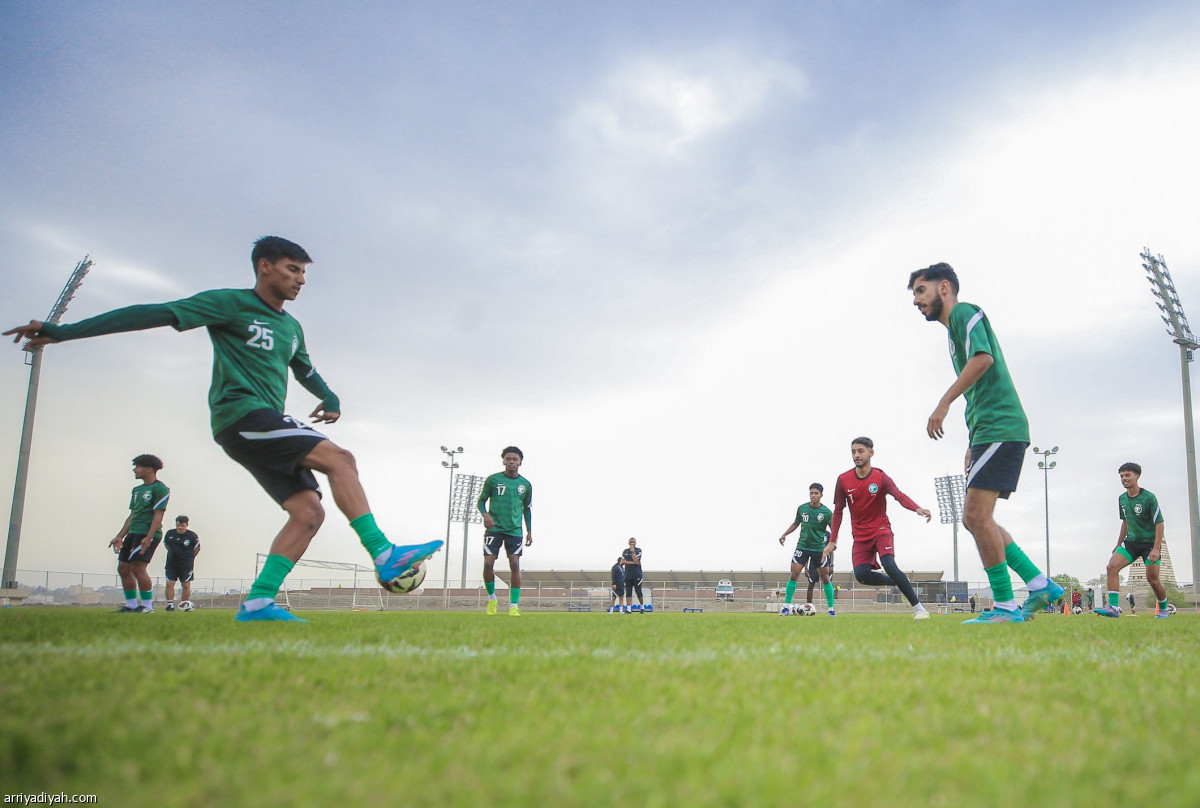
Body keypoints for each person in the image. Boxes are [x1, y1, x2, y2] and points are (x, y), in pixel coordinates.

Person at [5, 236, 443, 622]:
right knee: (340, 460)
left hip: (262, 424)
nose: (301, 280)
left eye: (304, 273)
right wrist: (65, 332)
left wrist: (330, 398)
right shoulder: (229, 304)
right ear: (265, 267)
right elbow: (154, 313)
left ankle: (259, 602)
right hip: (242, 416)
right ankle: (384, 553)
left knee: (309, 512)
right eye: (293, 269)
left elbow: (305, 369)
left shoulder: (291, 327)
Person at [909, 263, 1061, 623]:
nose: (916, 301)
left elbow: (983, 359)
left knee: (975, 516)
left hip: (1000, 425)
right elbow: (977, 388)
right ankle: (1039, 584)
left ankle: (1006, 605)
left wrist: (943, 403)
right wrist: (972, 440)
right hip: (988, 429)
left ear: (943, 287)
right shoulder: (952, 334)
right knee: (978, 519)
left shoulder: (964, 312)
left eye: (920, 290)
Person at [823, 437, 932, 620]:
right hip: (860, 537)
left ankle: (920, 609)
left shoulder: (880, 477)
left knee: (889, 564)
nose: (856, 455)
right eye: (853, 451)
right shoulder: (843, 480)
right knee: (862, 576)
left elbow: (898, 495)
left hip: (881, 530)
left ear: (871, 453)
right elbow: (838, 511)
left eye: (860, 451)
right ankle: (897, 580)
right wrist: (832, 540)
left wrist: (917, 508)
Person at [1094, 463, 1170, 618]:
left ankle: (1163, 608)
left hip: (1149, 544)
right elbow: (1125, 522)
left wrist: (1156, 548)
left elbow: (1159, 523)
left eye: (1127, 475)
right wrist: (1118, 544)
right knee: (1111, 567)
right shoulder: (1122, 499)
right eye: (1121, 476)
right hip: (1131, 542)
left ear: (1137, 476)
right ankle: (1113, 608)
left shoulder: (1149, 497)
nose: (1124, 479)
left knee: (1153, 580)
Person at [109, 454, 170, 613]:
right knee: (123, 567)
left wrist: (149, 537)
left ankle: (147, 606)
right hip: (133, 532)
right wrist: (120, 536)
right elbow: (132, 515)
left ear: (149, 469)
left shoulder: (160, 489)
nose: (134, 470)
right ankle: (131, 605)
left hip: (147, 534)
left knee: (138, 567)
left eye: (138, 466)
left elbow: (158, 515)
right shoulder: (137, 490)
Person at [477, 446, 533, 616]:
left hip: (514, 530)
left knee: (515, 564)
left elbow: (527, 509)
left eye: (515, 459)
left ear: (520, 462)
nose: (511, 462)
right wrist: (485, 514)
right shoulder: (493, 480)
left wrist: (529, 531)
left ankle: (513, 606)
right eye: (508, 459)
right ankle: (492, 599)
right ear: (503, 461)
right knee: (488, 563)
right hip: (494, 528)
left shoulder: (525, 484)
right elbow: (481, 501)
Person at [777, 483, 836, 616]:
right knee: (794, 574)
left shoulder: (826, 513)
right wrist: (785, 534)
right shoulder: (802, 508)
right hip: (802, 547)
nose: (813, 495)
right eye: (811, 493)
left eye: (816, 493)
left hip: (819, 549)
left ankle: (831, 610)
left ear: (821, 495)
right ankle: (786, 607)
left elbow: (834, 530)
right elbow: (796, 523)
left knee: (825, 578)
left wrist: (833, 543)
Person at [163, 515, 201, 611]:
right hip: (171, 564)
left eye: (182, 525)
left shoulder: (192, 536)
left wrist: (189, 557)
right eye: (178, 525)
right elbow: (166, 544)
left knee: (186, 585)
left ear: (186, 525)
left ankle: (184, 604)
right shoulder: (170, 533)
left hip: (185, 565)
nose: (179, 528)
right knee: (170, 583)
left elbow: (197, 548)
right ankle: (170, 605)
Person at [620, 538, 644, 613]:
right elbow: (623, 562)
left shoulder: (638, 550)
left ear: (635, 543)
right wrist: (633, 562)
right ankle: (628, 609)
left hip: (637, 575)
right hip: (628, 575)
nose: (632, 543)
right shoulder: (625, 551)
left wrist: (633, 551)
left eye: (633, 542)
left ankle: (642, 607)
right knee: (628, 592)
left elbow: (636, 560)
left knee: (638, 591)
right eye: (630, 542)